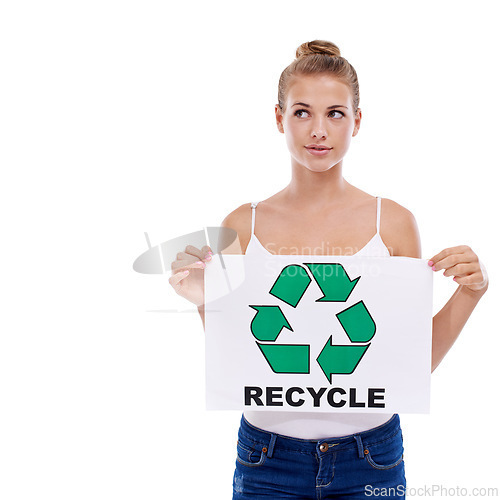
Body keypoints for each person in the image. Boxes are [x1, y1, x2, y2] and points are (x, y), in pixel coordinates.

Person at [169, 40, 489, 499]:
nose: (318, 130)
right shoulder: (244, 224)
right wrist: (204, 299)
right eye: (302, 112)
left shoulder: (393, 223)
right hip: (266, 459)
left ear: (357, 121)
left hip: (370, 458)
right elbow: (241, 360)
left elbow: (410, 367)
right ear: (279, 118)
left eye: (335, 113)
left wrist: (471, 293)